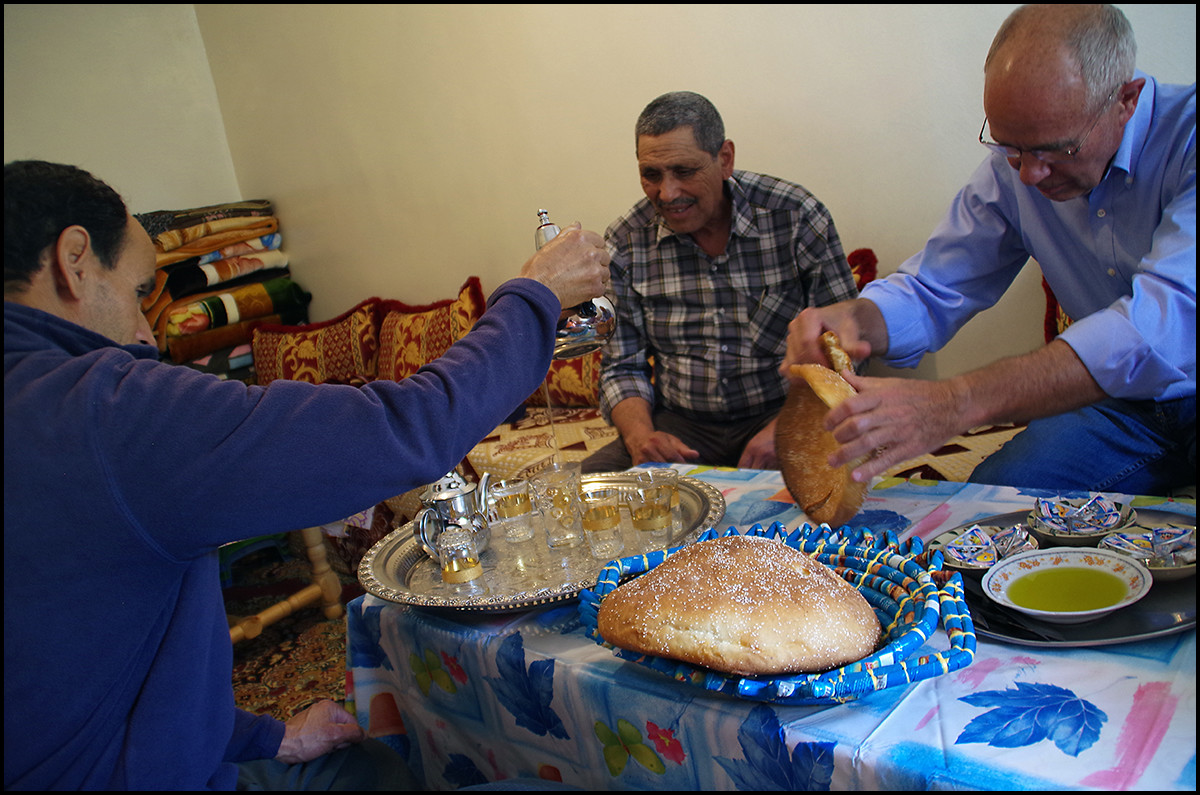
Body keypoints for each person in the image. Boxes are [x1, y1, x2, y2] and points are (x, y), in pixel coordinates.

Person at [2, 159, 610, 790]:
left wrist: (269, 736)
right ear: (74, 260)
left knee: (363, 765)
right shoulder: (102, 410)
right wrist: (535, 293)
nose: (144, 335)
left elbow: (95, 672)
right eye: (136, 294)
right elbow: (406, 430)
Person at [782, 4, 1196, 496]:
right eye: (1009, 148)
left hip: (1152, 383)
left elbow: (1161, 326)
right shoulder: (1017, 165)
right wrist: (856, 318)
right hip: (1124, 404)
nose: (1028, 175)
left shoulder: (1186, 138)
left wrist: (957, 402)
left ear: (1126, 100)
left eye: (1055, 150)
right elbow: (935, 285)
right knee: (993, 509)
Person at [582, 91, 859, 473]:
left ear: (724, 159)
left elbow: (842, 352)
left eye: (684, 171)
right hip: (684, 425)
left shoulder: (794, 218)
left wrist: (789, 427)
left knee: (833, 487)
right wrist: (642, 438)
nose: (668, 193)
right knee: (595, 485)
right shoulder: (627, 242)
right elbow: (622, 367)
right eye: (651, 175)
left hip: (785, 411)